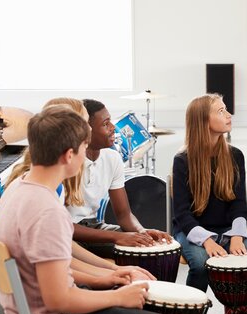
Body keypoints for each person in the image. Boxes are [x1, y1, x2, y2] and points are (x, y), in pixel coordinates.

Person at [0, 106, 199, 314]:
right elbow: (59, 298)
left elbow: (51, 271)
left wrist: (110, 276)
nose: (84, 156)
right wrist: (118, 297)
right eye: (82, 149)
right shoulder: (47, 211)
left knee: (142, 311)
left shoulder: (17, 188)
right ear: (69, 156)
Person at [5, 98, 155, 287]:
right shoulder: (43, 202)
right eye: (84, 141)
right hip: (53, 309)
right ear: (71, 151)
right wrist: (109, 284)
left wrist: (114, 271)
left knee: (145, 255)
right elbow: (58, 285)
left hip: (50, 292)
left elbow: (65, 256)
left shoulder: (31, 187)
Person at [173, 94, 247, 293]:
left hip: (228, 228)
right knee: (200, 264)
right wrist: (206, 241)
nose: (229, 115)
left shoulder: (235, 155)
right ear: (203, 120)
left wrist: (237, 236)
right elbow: (181, 214)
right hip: (191, 230)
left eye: (226, 109)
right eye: (221, 111)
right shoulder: (182, 160)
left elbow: (239, 204)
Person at [66, 99, 171, 258]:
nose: (113, 128)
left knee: (152, 250)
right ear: (85, 130)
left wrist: (142, 232)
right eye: (105, 124)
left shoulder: (112, 158)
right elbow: (62, 226)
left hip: (94, 227)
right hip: (68, 234)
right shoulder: (67, 162)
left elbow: (124, 215)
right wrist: (118, 236)